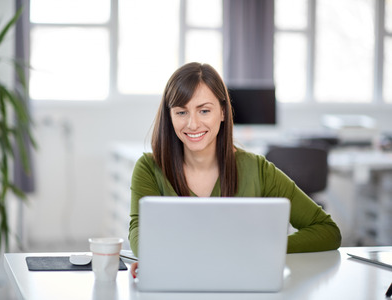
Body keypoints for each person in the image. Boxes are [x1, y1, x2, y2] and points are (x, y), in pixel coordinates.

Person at [128, 62, 341, 278]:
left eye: (204, 110)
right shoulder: (149, 168)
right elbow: (139, 233)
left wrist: (264, 248)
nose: (192, 124)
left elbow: (327, 231)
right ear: (170, 116)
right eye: (181, 112)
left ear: (222, 112)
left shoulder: (258, 169)